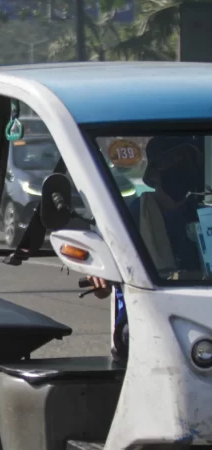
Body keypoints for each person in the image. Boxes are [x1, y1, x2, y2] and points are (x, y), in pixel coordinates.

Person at [85, 135, 204, 362]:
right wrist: (98, 276)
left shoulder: (203, 215)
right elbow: (102, 287)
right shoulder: (128, 218)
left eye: (187, 161)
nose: (183, 168)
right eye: (175, 162)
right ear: (157, 171)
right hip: (145, 318)